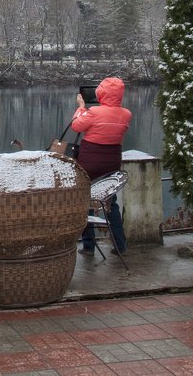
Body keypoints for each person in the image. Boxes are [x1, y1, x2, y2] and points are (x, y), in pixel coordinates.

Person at [70, 76, 132, 255]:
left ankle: (88, 246)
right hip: (111, 164)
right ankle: (120, 246)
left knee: (85, 202)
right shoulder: (126, 114)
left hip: (89, 163)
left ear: (101, 93)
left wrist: (81, 108)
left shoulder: (94, 112)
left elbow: (76, 126)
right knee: (110, 203)